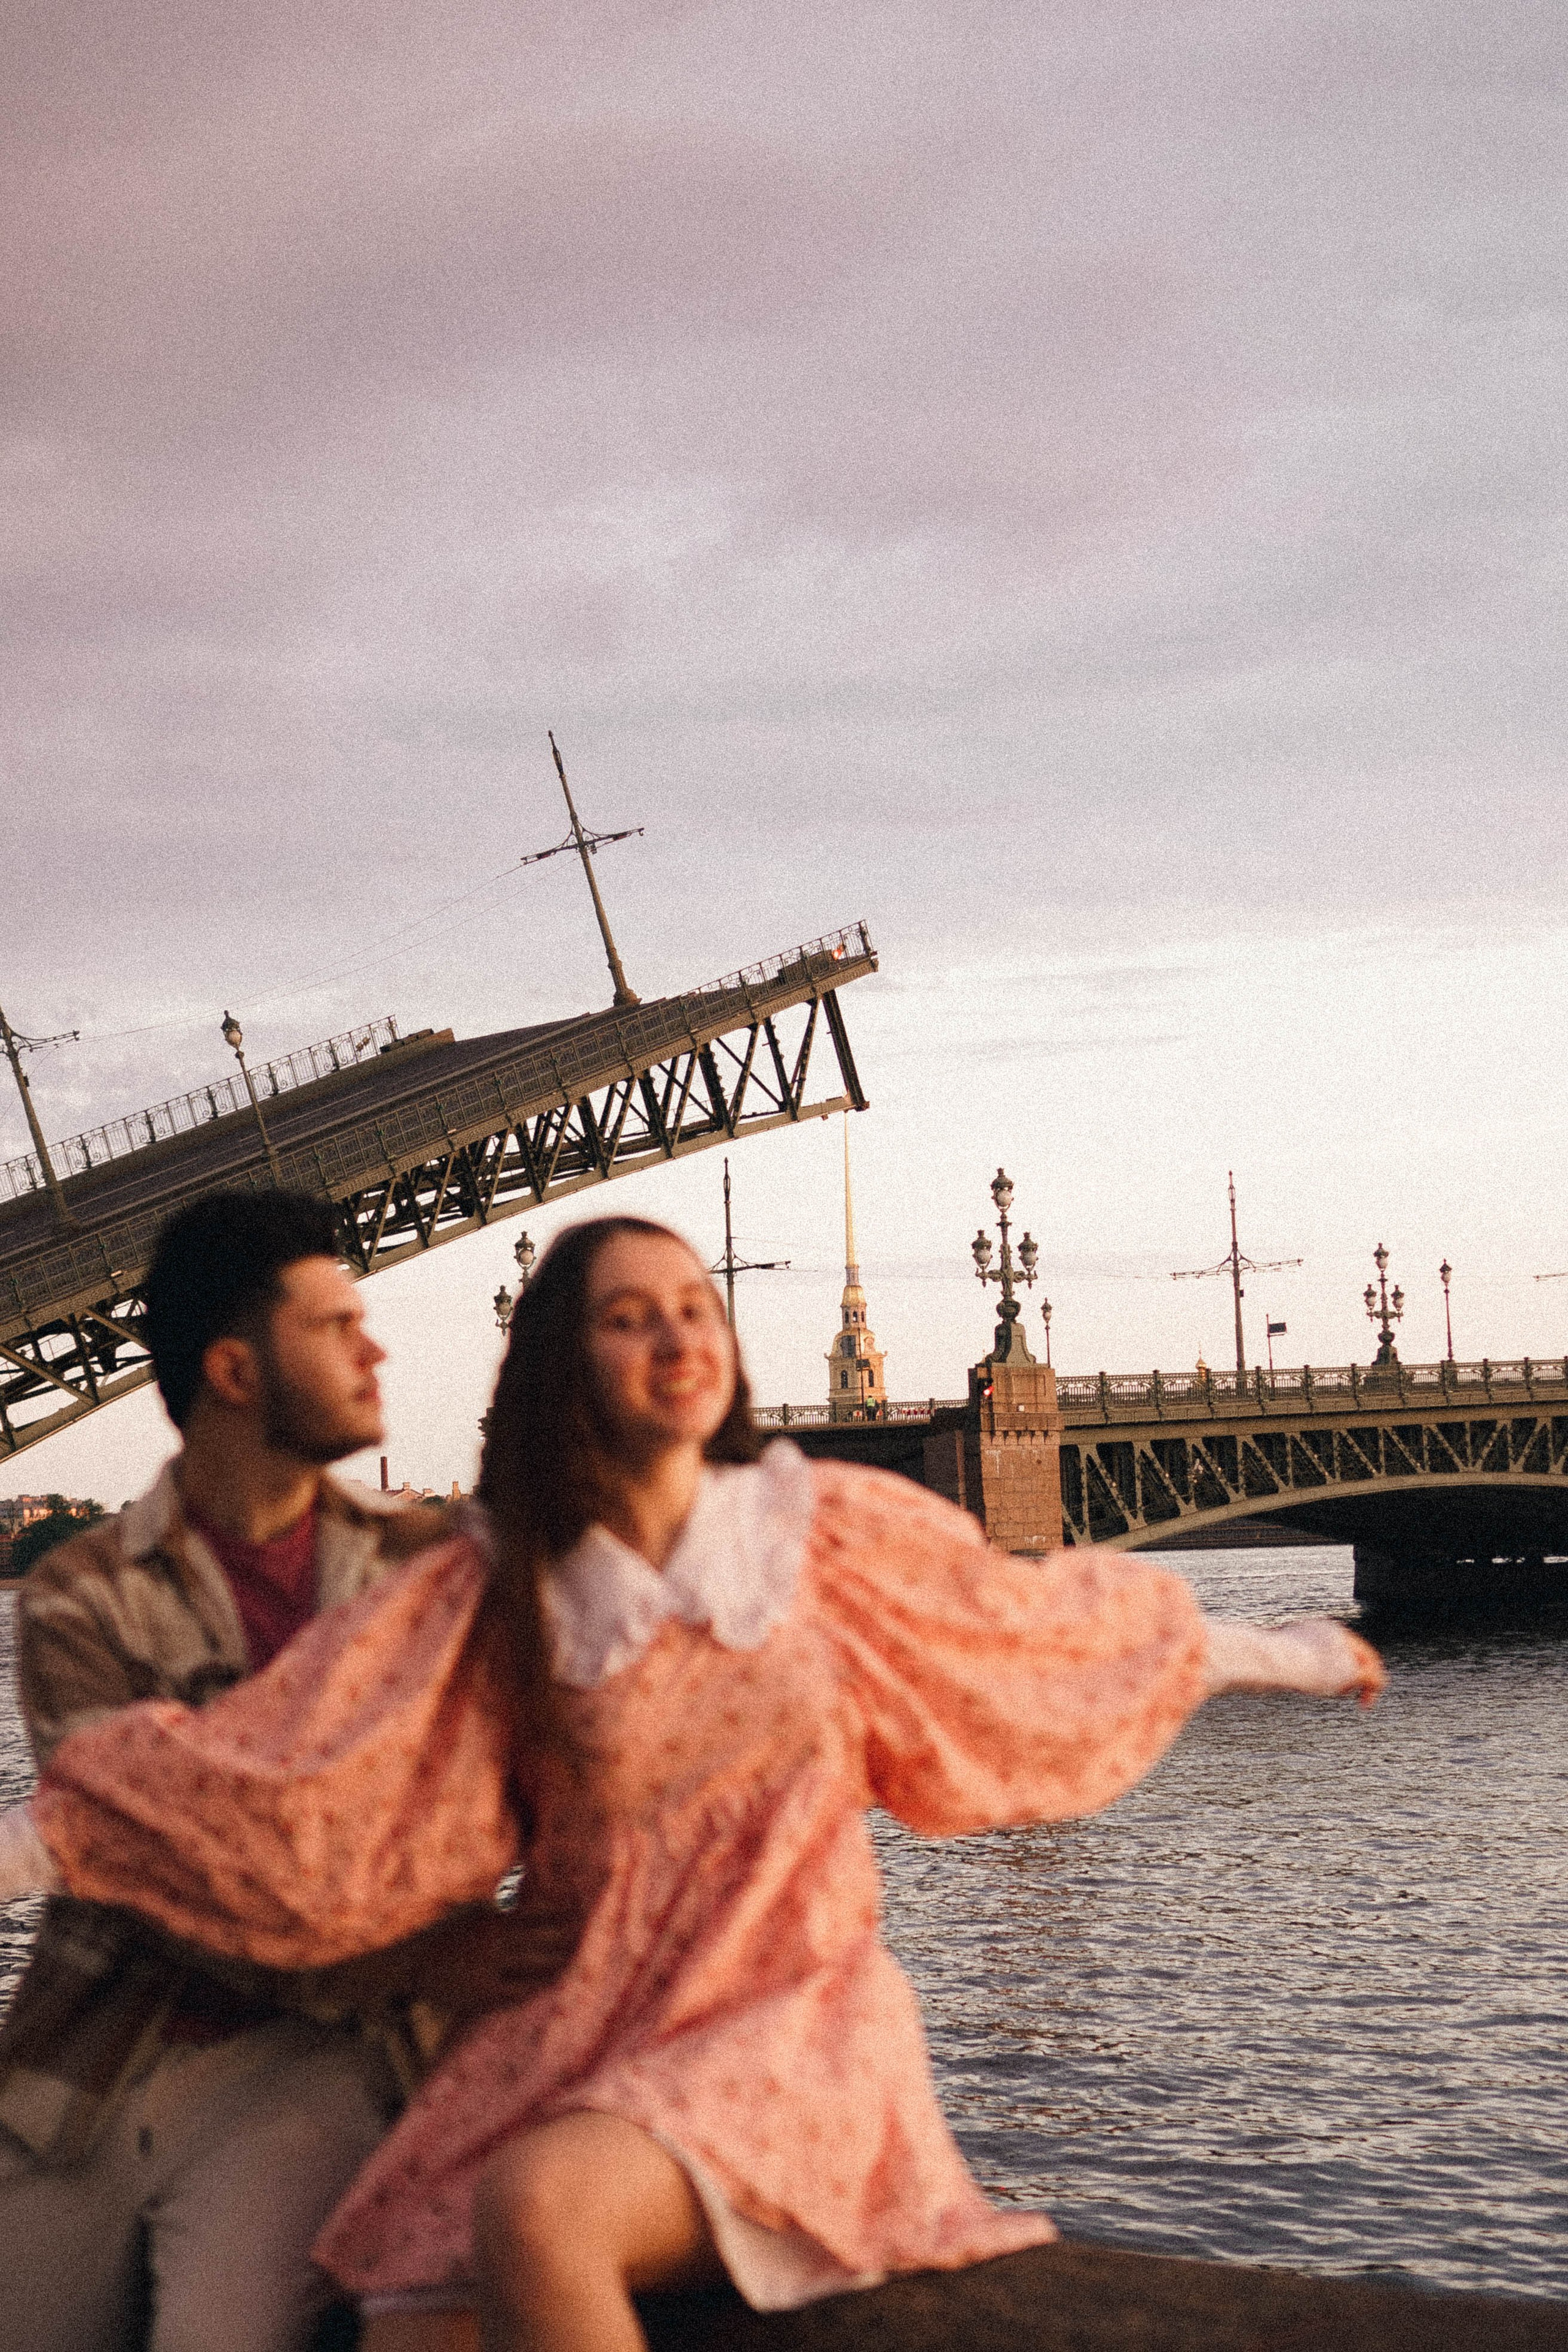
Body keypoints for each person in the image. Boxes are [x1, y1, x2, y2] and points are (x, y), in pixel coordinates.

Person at [7, 1215, 1385, 2352]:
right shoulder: (491, 1589)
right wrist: (31, 1843)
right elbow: (289, 1767)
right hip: (577, 2023)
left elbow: (1035, 1637)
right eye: (628, 1315)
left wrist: (1281, 1652)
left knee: (541, 2215)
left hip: (787, 2014)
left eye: (696, 1307)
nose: (677, 1334)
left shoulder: (817, 1535)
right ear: (563, 1361)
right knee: (409, 2309)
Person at [0, 1191, 568, 2352]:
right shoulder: (79, 1591)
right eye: (335, 1326)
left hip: (311, 2075)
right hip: (88, 2058)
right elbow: (154, 1870)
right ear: (236, 1370)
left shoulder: (430, 1569)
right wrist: (419, 1955)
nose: (378, 1349)